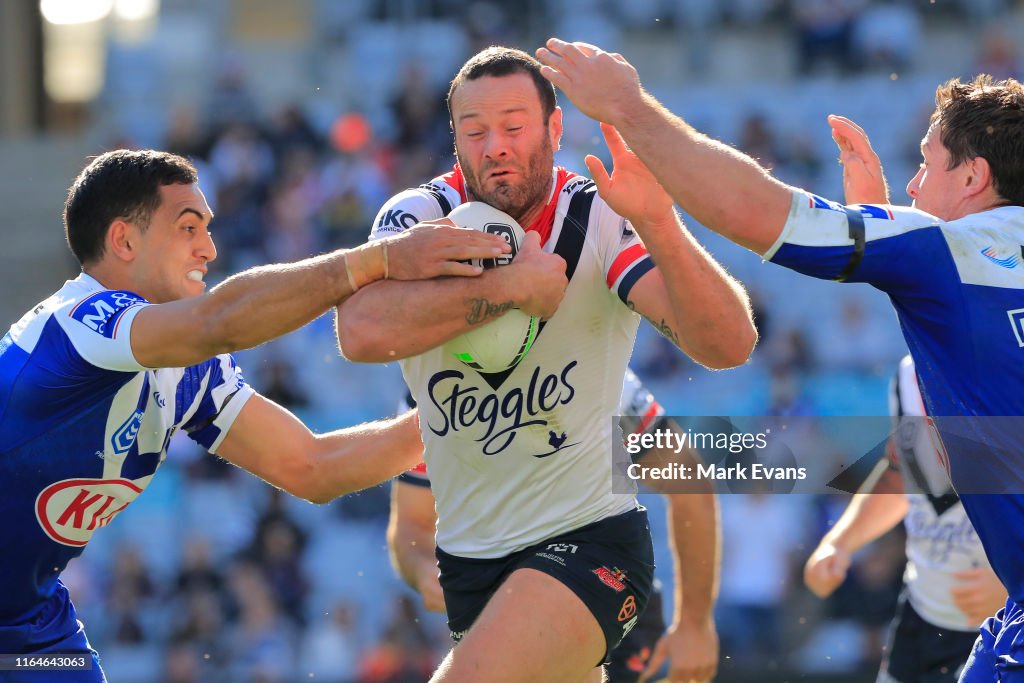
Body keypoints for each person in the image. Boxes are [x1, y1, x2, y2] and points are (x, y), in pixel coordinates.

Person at [535, 39, 1024, 681]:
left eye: (926, 164)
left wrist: (631, 108)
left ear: (973, 177)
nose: (912, 184)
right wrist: (883, 238)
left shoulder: (945, 250)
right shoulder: (964, 263)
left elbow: (758, 210)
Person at [0, 149, 515, 682]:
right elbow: (219, 320)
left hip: (31, 626)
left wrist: (459, 410)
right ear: (124, 241)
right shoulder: (80, 320)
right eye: (188, 227)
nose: (209, 248)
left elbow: (314, 467)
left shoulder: (186, 370)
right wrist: (377, 260)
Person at [337, 47, 756, 683]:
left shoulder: (599, 216)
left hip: (591, 543)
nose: (495, 146)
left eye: (514, 126)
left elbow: (728, 346)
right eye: (475, 132)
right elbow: (361, 331)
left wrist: (660, 222)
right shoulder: (418, 219)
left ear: (555, 129)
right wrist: (507, 292)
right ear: (455, 141)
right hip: (472, 570)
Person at [387, 368, 720, 683]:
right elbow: (410, 529)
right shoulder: (426, 390)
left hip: (600, 585)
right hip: (490, 600)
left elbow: (688, 480)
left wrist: (695, 623)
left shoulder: (597, 363)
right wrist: (422, 569)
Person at [805, 356, 1007, 682]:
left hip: (1009, 628)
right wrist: (840, 542)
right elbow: (902, 475)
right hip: (921, 621)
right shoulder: (908, 372)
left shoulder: (1009, 357)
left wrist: (1017, 588)